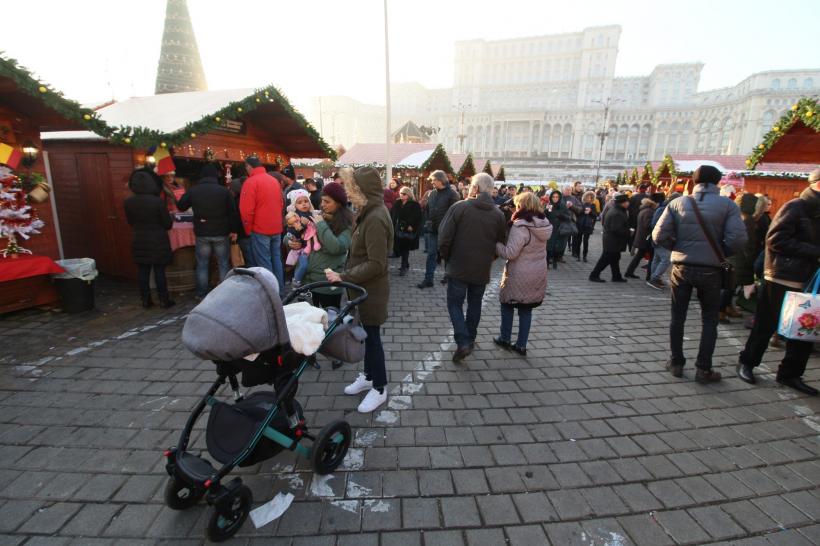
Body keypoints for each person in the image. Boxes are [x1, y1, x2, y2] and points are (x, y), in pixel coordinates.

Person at [652, 165, 747, 384]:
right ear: (717, 182)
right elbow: (738, 238)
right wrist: (720, 252)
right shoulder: (727, 205)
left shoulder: (677, 203)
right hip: (711, 269)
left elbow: (658, 235)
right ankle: (704, 369)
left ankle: (676, 362)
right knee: (710, 319)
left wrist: (679, 246)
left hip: (682, 268)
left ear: (694, 181)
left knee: (678, 317)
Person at [737, 169, 820, 395]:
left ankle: (790, 374)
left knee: (805, 330)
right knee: (766, 323)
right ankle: (747, 362)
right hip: (783, 276)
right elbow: (775, 240)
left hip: (810, 280)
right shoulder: (796, 207)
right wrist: (815, 251)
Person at [326, 167, 393, 413]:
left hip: (371, 292)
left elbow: (377, 263)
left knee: (373, 340)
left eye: (351, 188)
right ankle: (368, 376)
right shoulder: (367, 212)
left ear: (362, 190)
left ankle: (380, 388)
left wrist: (343, 276)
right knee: (365, 335)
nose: (347, 192)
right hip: (361, 289)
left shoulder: (375, 217)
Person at [437, 173, 507, 362]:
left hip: (458, 266)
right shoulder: (498, 214)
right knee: (475, 304)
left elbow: (443, 238)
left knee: (455, 304)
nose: (468, 189)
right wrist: (490, 258)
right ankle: (470, 339)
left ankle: (463, 341)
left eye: (470, 186)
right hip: (481, 269)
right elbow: (501, 242)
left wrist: (446, 258)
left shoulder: (460, 207)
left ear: (475, 188)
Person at [494, 192, 551, 356]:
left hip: (519, 273)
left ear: (521, 205)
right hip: (538, 271)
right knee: (526, 309)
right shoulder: (544, 223)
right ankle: (521, 345)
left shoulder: (521, 226)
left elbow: (511, 253)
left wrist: (496, 244)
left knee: (507, 305)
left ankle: (504, 338)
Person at [176, 163, 238, 299]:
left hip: (202, 233)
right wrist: (234, 230)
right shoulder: (224, 191)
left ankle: (201, 294)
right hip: (221, 232)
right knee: (223, 263)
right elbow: (233, 212)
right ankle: (225, 294)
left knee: (202, 264)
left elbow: (181, 206)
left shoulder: (194, 190)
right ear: (215, 176)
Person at [124, 167, 175, 308]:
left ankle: (145, 300)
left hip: (139, 238)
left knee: (143, 271)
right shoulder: (157, 202)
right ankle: (163, 299)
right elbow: (167, 223)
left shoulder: (128, 202)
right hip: (157, 239)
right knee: (159, 271)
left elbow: (131, 222)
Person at [301, 182, 353, 309]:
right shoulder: (320, 217)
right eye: (322, 201)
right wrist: (290, 241)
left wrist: (321, 224)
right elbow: (305, 237)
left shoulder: (346, 224)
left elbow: (336, 248)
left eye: (327, 201)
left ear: (339, 203)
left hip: (328, 284)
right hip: (309, 280)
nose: (323, 204)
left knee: (329, 323)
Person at [240, 156, 285, 292]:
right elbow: (281, 203)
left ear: (249, 166)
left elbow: (246, 210)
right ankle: (280, 290)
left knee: (264, 263)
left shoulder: (250, 182)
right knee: (276, 259)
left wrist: (248, 229)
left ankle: (270, 293)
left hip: (260, 228)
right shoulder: (273, 181)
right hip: (276, 228)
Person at [418, 170, 459, 289]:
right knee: (431, 254)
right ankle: (428, 279)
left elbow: (455, 214)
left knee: (447, 255)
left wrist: (451, 228)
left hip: (447, 231)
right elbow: (427, 210)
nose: (432, 182)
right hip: (432, 230)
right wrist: (427, 222)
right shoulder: (432, 194)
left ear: (440, 180)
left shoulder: (453, 194)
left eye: (433, 180)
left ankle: (448, 276)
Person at [721, 193, 758, 322]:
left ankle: (728, 308)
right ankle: (720, 311)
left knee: (729, 285)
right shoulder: (749, 220)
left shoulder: (733, 217)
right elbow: (749, 243)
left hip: (729, 256)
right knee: (730, 286)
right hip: (740, 258)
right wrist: (750, 259)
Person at [589, 194, 630, 283]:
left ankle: (616, 276)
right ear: (622, 203)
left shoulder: (618, 210)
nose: (628, 203)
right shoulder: (617, 213)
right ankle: (594, 275)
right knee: (605, 259)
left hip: (612, 240)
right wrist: (628, 232)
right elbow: (616, 229)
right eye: (627, 201)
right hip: (612, 241)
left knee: (615, 258)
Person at [646, 192, 681, 290]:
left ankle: (654, 278)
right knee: (666, 259)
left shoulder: (664, 208)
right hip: (662, 239)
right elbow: (657, 225)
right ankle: (654, 278)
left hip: (658, 238)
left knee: (657, 259)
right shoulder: (665, 209)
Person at [624, 197, 658, 280]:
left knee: (639, 256)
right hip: (647, 238)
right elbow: (648, 224)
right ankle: (649, 276)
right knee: (652, 258)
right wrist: (656, 225)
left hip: (642, 238)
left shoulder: (643, 211)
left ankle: (629, 272)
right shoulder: (649, 212)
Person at [391, 186, 423, 276]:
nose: (401, 195)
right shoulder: (398, 202)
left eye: (404, 193)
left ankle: (403, 266)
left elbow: (418, 217)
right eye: (400, 193)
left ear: (408, 194)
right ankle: (406, 264)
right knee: (400, 248)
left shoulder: (414, 204)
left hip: (408, 229)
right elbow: (392, 213)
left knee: (405, 249)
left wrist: (412, 226)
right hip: (398, 228)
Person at [229, 176, 254, 268]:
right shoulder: (249, 198)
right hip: (252, 232)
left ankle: (251, 277)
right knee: (253, 258)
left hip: (243, 233)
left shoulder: (235, 201)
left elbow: (235, 218)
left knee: (249, 259)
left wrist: (234, 231)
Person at [545, 189, 572, 269]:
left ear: (559, 197)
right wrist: (545, 210)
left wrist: (560, 215)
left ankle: (555, 262)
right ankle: (546, 263)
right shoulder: (549, 205)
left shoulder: (563, 206)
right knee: (548, 247)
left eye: (557, 197)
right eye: (553, 197)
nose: (555, 198)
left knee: (557, 247)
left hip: (560, 229)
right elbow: (544, 217)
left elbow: (569, 217)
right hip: (550, 229)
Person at [574, 191, 598, 262]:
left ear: (592, 198)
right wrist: (582, 211)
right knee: (578, 241)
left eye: (590, 198)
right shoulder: (581, 205)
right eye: (587, 197)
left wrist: (590, 212)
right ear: (584, 198)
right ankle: (578, 255)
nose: (588, 199)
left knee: (586, 241)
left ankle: (585, 256)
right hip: (580, 224)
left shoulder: (593, 206)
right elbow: (577, 214)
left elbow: (595, 216)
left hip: (588, 225)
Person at [628, 183, 650, 249]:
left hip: (633, 219)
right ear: (645, 189)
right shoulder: (649, 197)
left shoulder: (633, 197)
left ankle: (631, 247)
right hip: (644, 218)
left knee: (632, 234)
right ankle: (640, 248)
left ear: (638, 189)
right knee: (642, 234)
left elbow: (629, 208)